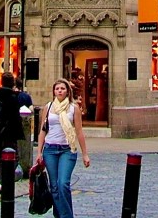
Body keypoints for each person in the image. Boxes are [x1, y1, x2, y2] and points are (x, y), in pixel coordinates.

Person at [36, 78, 90, 218]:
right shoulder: (48, 107)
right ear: (54, 91)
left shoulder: (73, 108)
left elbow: (79, 131)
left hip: (67, 150)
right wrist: (39, 152)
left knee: (63, 184)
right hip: (50, 150)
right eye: (57, 88)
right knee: (54, 187)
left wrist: (85, 154)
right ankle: (61, 215)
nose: (60, 91)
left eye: (62, 88)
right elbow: (43, 130)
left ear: (68, 91)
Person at [0, 71, 24, 192]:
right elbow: (15, 117)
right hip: (9, 134)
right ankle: (3, 182)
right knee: (14, 158)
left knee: (0, 160)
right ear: (12, 83)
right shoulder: (12, 98)